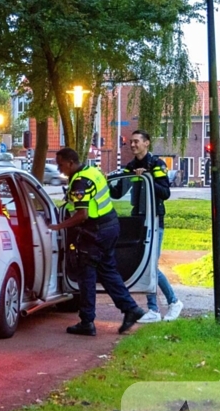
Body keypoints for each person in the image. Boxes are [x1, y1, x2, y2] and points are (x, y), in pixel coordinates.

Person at [49, 148, 146, 336]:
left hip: (96, 231)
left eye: (60, 164)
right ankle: (130, 309)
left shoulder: (79, 181)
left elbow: (82, 214)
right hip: (110, 225)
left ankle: (87, 321)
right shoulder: (92, 171)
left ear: (70, 162)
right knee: (107, 270)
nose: (59, 169)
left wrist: (59, 226)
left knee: (87, 275)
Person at [115, 130, 183, 323]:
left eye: (137, 142)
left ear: (147, 143)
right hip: (138, 219)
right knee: (145, 264)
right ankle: (154, 309)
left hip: (154, 221)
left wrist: (148, 178)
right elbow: (119, 193)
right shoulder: (130, 167)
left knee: (150, 265)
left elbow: (165, 192)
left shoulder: (157, 164)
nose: (133, 145)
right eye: (131, 142)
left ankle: (172, 302)